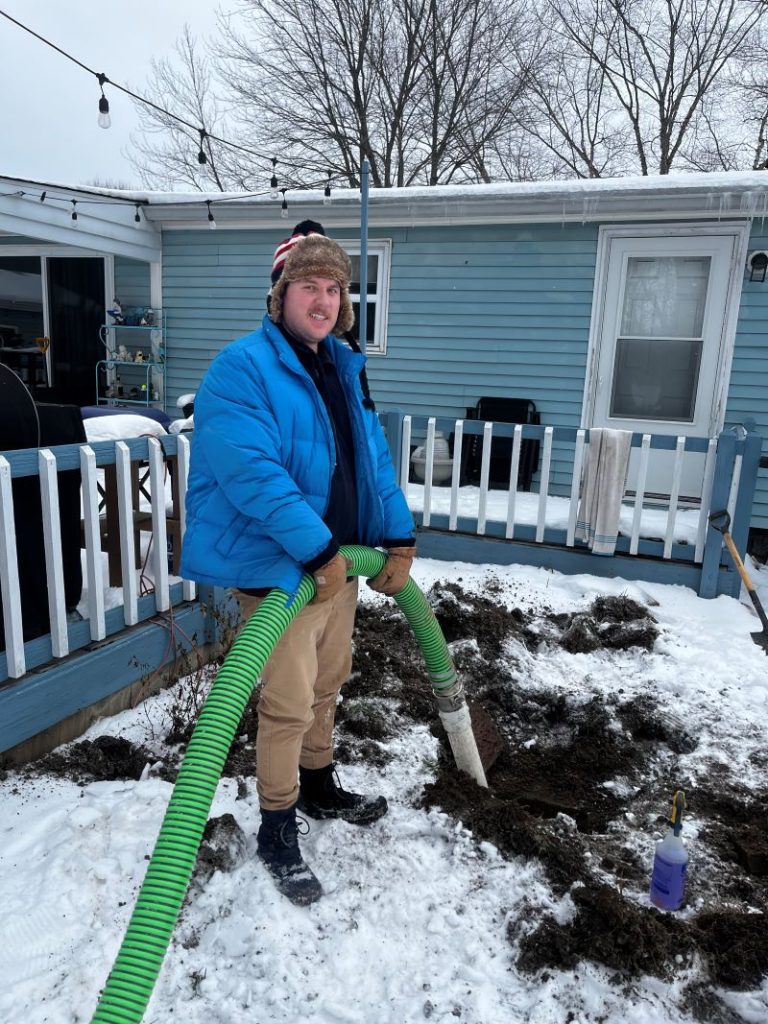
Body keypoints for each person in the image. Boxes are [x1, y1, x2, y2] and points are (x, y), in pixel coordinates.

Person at [180, 222, 415, 905]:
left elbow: (372, 464)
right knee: (286, 703)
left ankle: (318, 782)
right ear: (279, 295)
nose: (322, 300)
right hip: (284, 570)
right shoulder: (241, 368)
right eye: (308, 286)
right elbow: (250, 472)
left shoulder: (343, 367)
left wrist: (397, 538)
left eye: (334, 288)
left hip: (339, 566)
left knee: (326, 684)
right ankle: (278, 824)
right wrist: (315, 550)